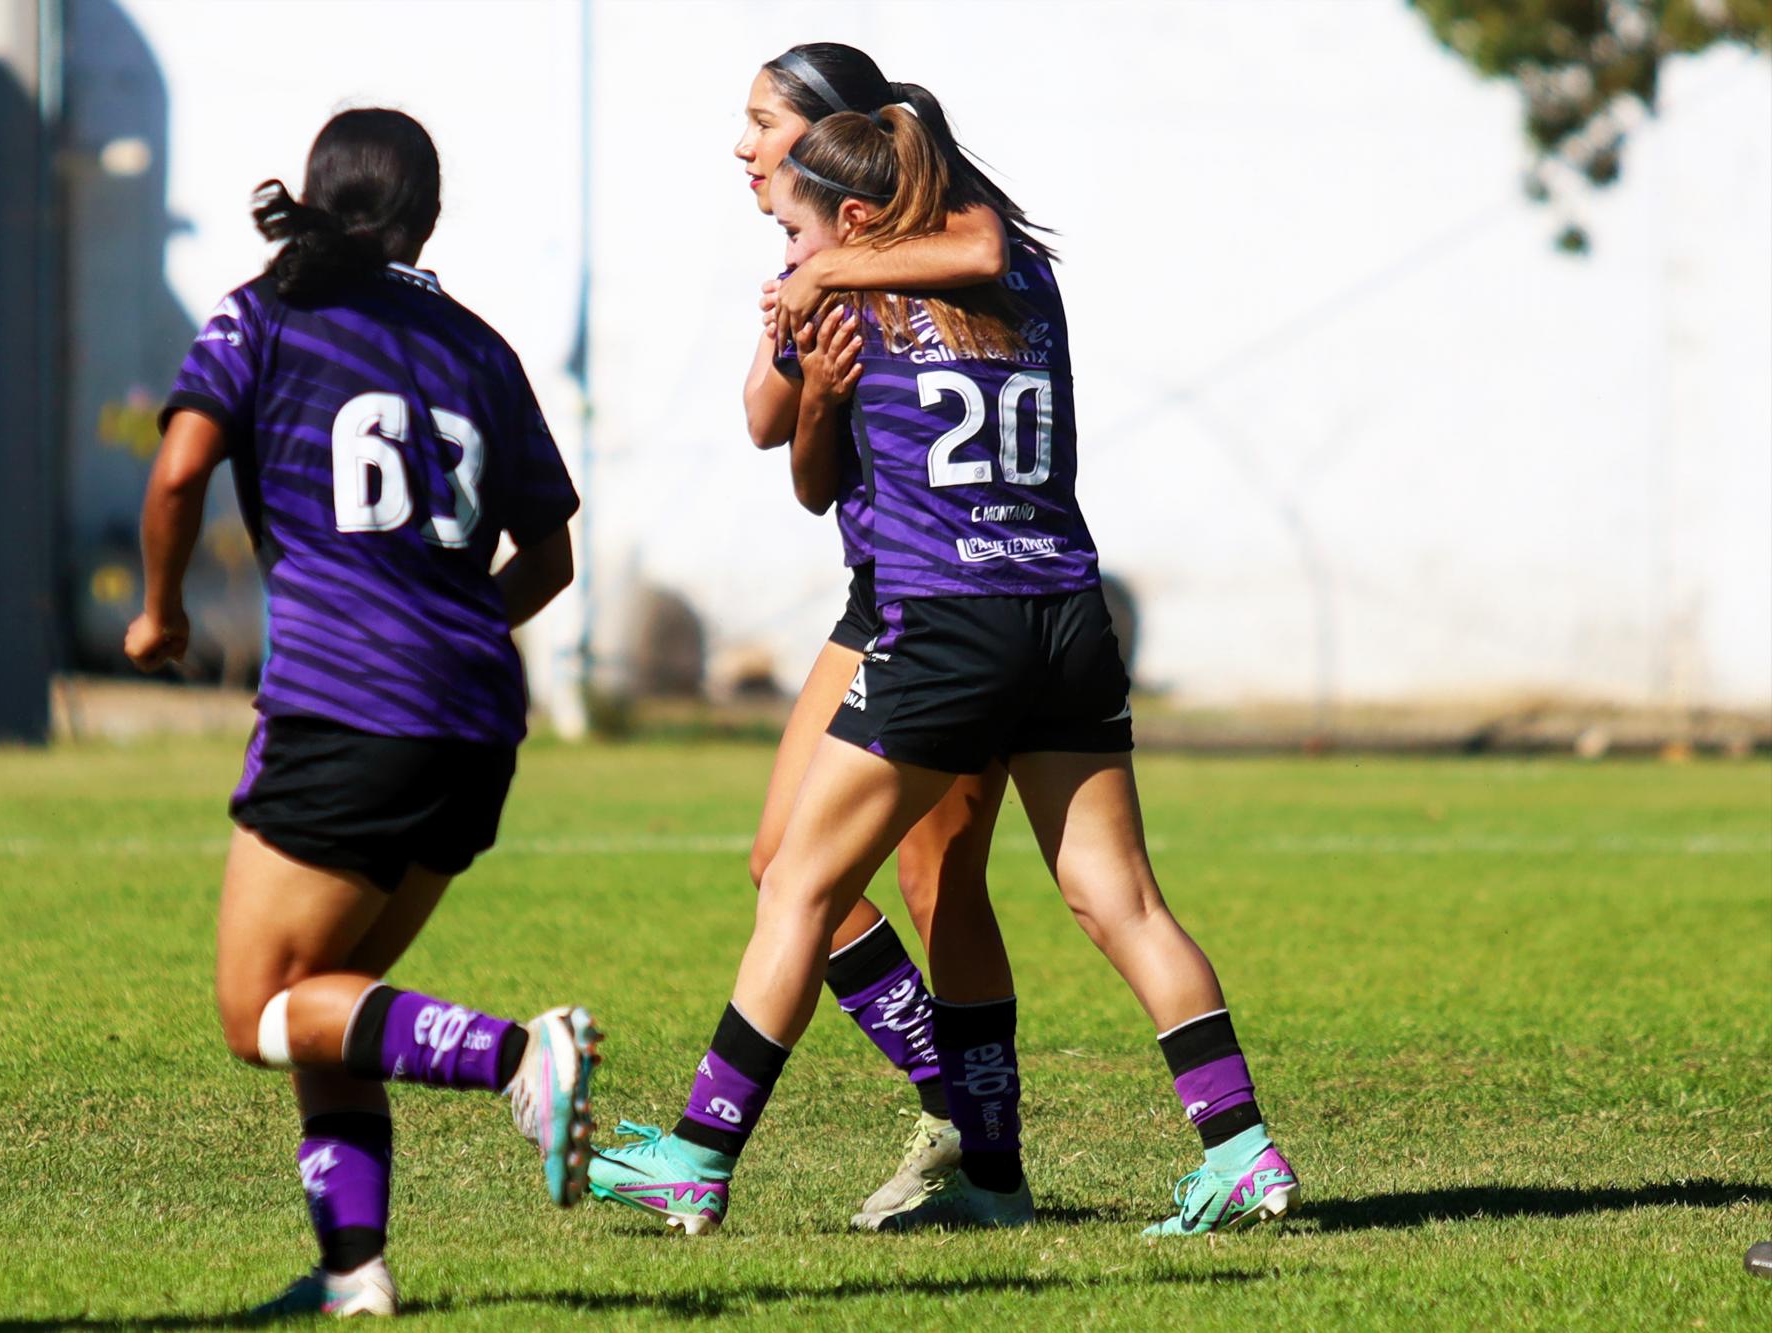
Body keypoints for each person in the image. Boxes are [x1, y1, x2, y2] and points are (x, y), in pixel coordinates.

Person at [588, 105, 1299, 1237]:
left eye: (798, 229)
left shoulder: (844, 299)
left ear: (856, 220)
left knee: (798, 886)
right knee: (1119, 899)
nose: (789, 255)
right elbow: (850, 396)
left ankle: (696, 1153)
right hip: (1066, 617)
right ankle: (1241, 1150)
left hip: (943, 627)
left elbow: (796, 465)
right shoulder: (1026, 283)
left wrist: (812, 317)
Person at [124, 108, 599, 1316]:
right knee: (327, 1003)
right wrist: (450, 630)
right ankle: (355, 1274)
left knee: (259, 1011)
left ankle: (515, 1055)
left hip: (348, 708)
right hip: (475, 718)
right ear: (426, 218)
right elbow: (549, 553)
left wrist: (159, 610)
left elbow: (178, 466)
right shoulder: (477, 348)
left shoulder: (265, 310)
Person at [729, 41, 1056, 1228]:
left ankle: (983, 1154)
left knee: (937, 880)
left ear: (828, 131)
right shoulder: (813, 249)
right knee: (785, 867)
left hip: (966, 590)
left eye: (758, 119)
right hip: (880, 596)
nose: (739, 143)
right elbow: (767, 422)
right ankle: (959, 1117)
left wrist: (837, 271)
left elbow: (979, 250)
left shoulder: (943, 215)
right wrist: (806, 324)